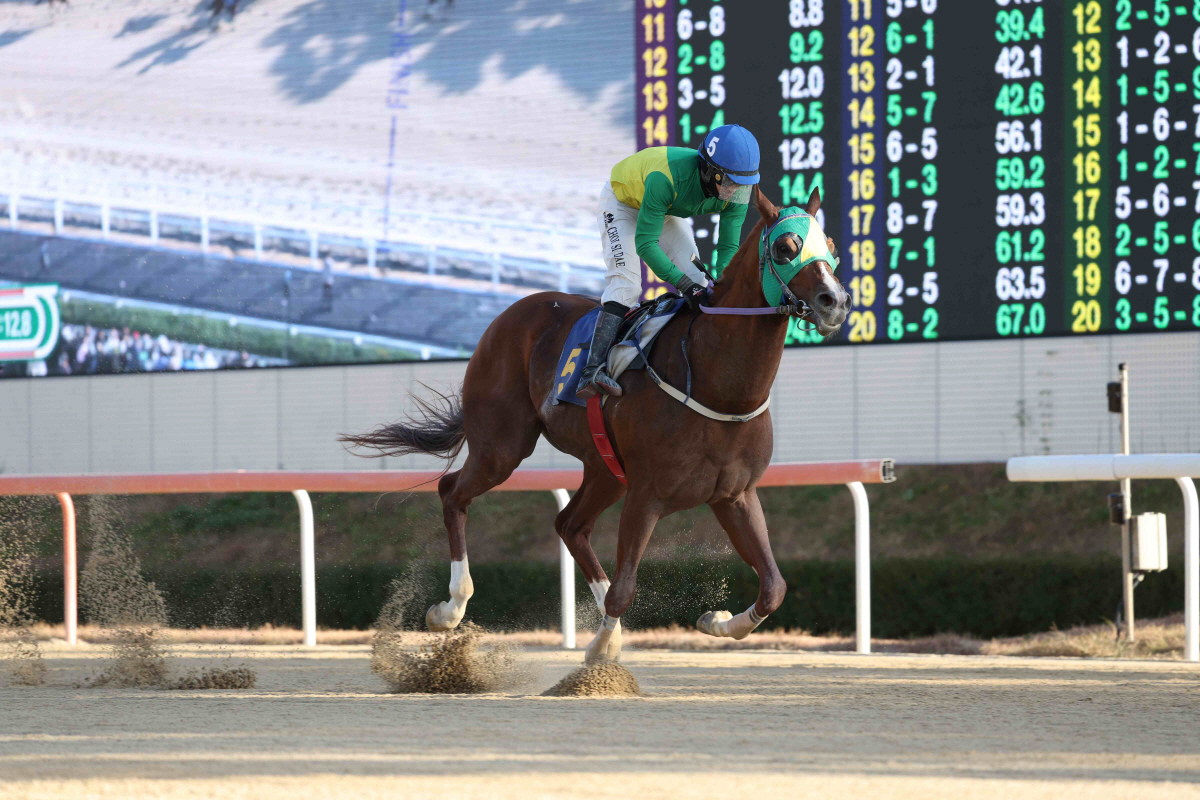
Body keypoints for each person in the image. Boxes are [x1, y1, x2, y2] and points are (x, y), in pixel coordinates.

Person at [576, 124, 761, 399]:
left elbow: (728, 248)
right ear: (710, 171)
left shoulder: (737, 190)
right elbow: (646, 245)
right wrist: (684, 285)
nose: (735, 192)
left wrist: (724, 288)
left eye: (742, 185)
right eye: (730, 183)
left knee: (703, 282)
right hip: (623, 202)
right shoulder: (666, 179)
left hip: (661, 207)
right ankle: (591, 371)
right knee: (627, 285)